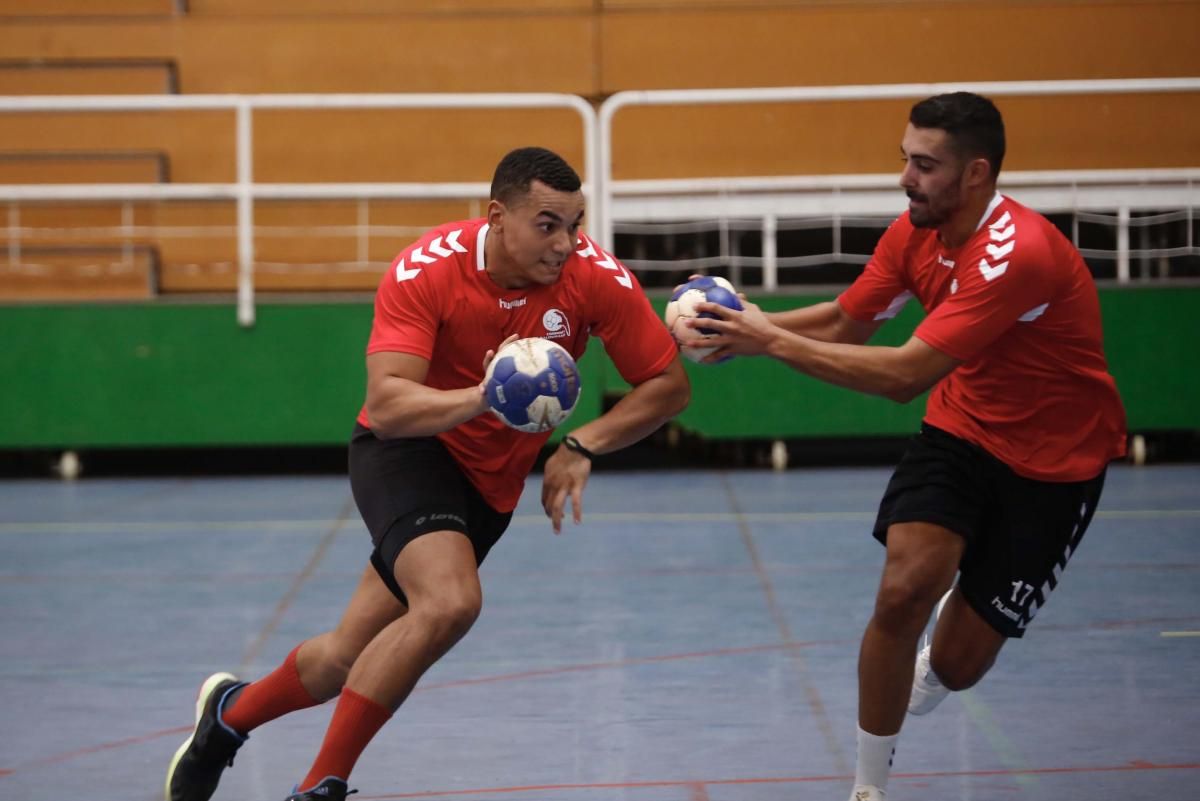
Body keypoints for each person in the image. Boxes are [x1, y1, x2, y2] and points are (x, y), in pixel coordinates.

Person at [165, 146, 690, 801]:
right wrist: (484, 394)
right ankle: (319, 786)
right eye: (547, 224)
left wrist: (581, 444)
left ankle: (227, 718)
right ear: (498, 216)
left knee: (346, 655)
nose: (565, 243)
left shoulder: (593, 277)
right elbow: (387, 403)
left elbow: (667, 384)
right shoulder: (428, 269)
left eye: (575, 224)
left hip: (491, 486)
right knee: (450, 601)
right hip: (408, 448)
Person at [687, 92, 1126, 801]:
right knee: (902, 589)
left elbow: (903, 375)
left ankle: (939, 662)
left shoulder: (1019, 255)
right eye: (905, 160)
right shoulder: (914, 233)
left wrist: (766, 337)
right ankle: (868, 787)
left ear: (976, 173)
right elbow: (846, 320)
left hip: (1055, 463)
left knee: (958, 663)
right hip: (961, 430)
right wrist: (745, 330)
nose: (906, 178)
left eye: (925, 165)